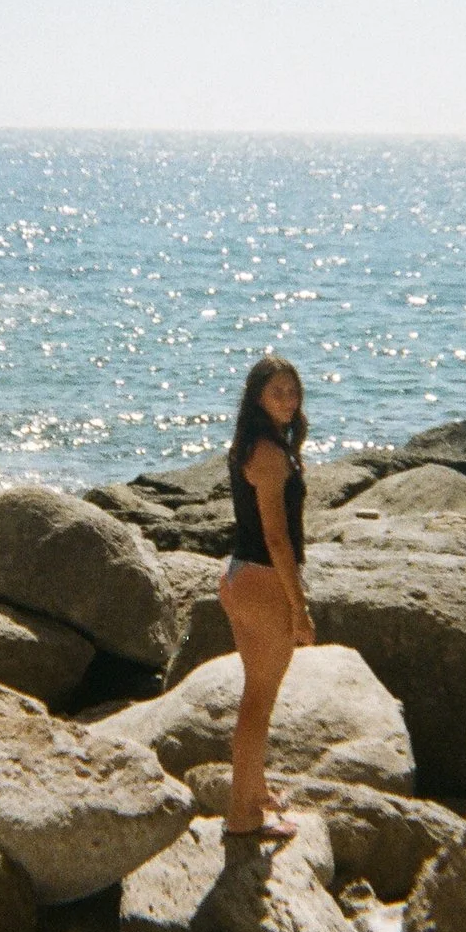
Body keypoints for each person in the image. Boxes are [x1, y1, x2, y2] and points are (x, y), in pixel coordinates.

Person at [217, 353, 313, 839]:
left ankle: (253, 794)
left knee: (255, 696)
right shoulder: (271, 456)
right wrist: (299, 606)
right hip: (262, 581)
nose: (288, 399)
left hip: (238, 575)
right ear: (258, 397)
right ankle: (243, 816)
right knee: (259, 700)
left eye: (293, 390)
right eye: (277, 391)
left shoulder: (250, 446)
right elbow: (277, 538)